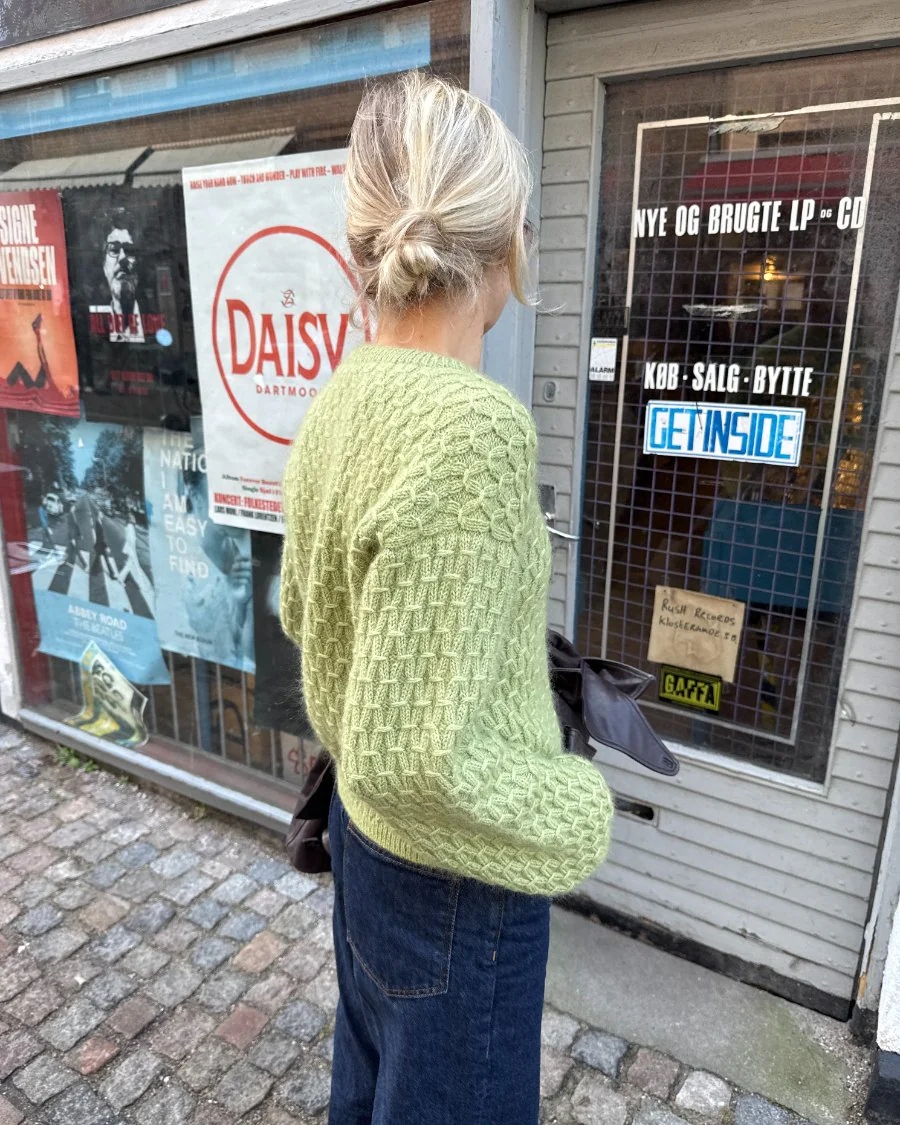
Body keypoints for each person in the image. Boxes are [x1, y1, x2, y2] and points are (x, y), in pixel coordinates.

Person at [279, 71, 614, 1125]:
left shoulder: (342, 399)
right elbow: (417, 755)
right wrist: (576, 804)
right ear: (508, 243)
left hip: (365, 843)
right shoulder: (474, 432)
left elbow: (300, 608)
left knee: (367, 1088)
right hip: (456, 885)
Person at [91, 208, 144, 342]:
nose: (123, 261)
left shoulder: (149, 320)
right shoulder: (96, 322)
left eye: (129, 251)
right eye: (114, 250)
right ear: (103, 264)